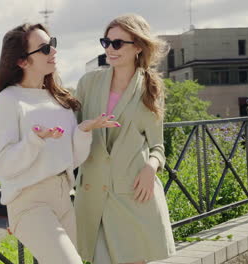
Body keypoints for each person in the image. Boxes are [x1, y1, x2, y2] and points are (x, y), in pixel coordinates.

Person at [0, 23, 120, 264]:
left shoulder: (59, 100)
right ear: (22, 61)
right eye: (45, 48)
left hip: (64, 196)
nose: (54, 52)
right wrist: (35, 140)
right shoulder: (8, 100)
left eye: (53, 44)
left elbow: (72, 159)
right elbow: (4, 165)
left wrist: (83, 131)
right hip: (29, 202)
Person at [74, 14, 176, 264]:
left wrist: (151, 168)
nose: (110, 48)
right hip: (94, 193)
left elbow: (157, 146)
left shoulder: (150, 89)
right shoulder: (88, 83)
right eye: (106, 42)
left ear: (138, 47)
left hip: (133, 192)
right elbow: (73, 131)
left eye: (117, 43)